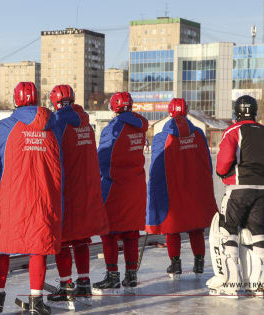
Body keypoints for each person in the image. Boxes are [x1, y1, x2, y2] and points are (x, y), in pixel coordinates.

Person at [0, 82, 62, 315]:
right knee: (39, 246)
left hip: (11, 195)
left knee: (2, 245)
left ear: (15, 99)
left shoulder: (4, 127)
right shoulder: (52, 125)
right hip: (43, 195)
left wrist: (3, 187)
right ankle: (36, 300)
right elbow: (59, 166)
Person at [46, 85, 109, 309]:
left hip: (66, 188)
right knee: (81, 238)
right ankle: (84, 281)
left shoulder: (57, 122)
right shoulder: (85, 122)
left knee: (63, 239)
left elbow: (54, 156)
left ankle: (66, 285)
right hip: (86, 187)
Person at [146, 98, 217, 279]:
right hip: (195, 188)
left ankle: (175, 264)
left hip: (174, 189)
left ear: (170, 113)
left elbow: (156, 168)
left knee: (173, 228)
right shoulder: (199, 134)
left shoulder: (162, 137)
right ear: (186, 112)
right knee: (196, 227)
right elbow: (207, 164)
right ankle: (199, 262)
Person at [207, 95, 264, 297]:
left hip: (239, 188)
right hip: (262, 190)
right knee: (258, 233)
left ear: (237, 112)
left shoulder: (233, 130)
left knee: (228, 229)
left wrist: (224, 174)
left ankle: (231, 282)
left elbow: (223, 162)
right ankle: (259, 284)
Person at [95, 92, 148, 294]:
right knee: (131, 233)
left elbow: (104, 159)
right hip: (135, 185)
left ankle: (112, 276)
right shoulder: (139, 126)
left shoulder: (114, 128)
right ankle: (131, 275)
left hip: (115, 186)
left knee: (109, 233)